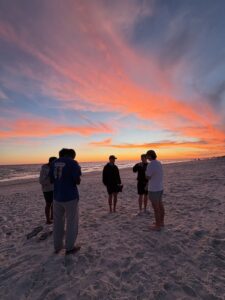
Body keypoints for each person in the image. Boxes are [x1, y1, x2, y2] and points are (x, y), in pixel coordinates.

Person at [50, 148, 81, 254]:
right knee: (72, 222)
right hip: (70, 197)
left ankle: (57, 247)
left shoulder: (53, 163)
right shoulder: (73, 163)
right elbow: (77, 181)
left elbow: (51, 180)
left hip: (57, 197)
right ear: (70, 155)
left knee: (58, 223)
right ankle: (70, 247)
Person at [146, 150, 164, 231]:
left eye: (147, 155)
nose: (146, 157)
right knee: (160, 205)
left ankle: (157, 225)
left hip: (153, 189)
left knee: (156, 208)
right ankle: (161, 222)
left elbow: (148, 177)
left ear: (150, 156)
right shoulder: (159, 163)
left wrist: (145, 174)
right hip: (160, 188)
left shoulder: (150, 165)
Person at [39, 156, 57, 224]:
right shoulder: (44, 169)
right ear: (51, 162)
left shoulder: (54, 168)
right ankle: (48, 220)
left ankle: (52, 216)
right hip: (47, 190)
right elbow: (41, 181)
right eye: (55, 162)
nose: (56, 163)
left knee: (54, 203)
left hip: (54, 188)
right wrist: (51, 180)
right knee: (48, 204)